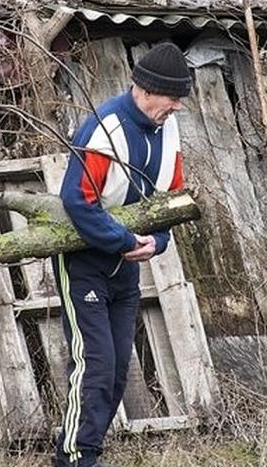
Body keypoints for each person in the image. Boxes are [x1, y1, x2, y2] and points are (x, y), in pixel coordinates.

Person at [52, 42, 192, 467]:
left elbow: (173, 196)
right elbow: (77, 200)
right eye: (173, 98)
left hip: (126, 267)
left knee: (114, 375)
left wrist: (159, 241)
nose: (177, 107)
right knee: (94, 367)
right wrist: (125, 242)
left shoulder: (167, 128)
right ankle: (77, 459)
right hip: (86, 264)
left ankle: (79, 451)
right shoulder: (105, 126)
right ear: (146, 89)